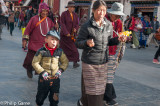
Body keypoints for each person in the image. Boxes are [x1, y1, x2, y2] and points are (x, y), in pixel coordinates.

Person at [75, 1, 127, 106]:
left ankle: (83, 102)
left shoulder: (108, 25)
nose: (101, 13)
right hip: (90, 62)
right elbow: (78, 43)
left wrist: (118, 39)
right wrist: (86, 42)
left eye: (103, 10)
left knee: (96, 90)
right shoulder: (86, 26)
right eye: (99, 10)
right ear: (93, 10)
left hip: (103, 62)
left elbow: (109, 42)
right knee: (95, 93)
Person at [32, 30, 69, 106]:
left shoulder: (60, 51)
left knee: (55, 99)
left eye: (56, 40)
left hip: (55, 80)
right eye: (52, 39)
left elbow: (65, 62)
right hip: (44, 80)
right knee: (40, 98)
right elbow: (35, 62)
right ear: (46, 40)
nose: (54, 42)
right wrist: (42, 72)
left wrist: (60, 70)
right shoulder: (41, 51)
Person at [23, 3, 54, 78]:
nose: (45, 13)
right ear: (40, 11)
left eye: (46, 11)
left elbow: (52, 31)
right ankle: (29, 69)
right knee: (30, 60)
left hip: (44, 45)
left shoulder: (49, 20)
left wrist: (55, 27)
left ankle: (41, 74)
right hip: (34, 43)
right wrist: (25, 40)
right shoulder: (34, 19)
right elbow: (28, 30)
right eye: (43, 11)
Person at [104, 2, 124, 105]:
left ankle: (108, 96)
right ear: (111, 13)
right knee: (107, 75)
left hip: (113, 51)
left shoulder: (119, 22)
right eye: (116, 15)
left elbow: (120, 35)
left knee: (109, 75)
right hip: (102, 50)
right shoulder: (104, 20)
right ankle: (108, 97)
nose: (117, 17)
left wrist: (123, 38)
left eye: (119, 15)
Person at [60, 1, 80, 68]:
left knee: (74, 50)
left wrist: (76, 29)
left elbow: (77, 24)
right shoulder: (64, 14)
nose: (72, 8)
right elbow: (62, 24)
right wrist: (66, 32)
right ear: (68, 7)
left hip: (72, 36)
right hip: (65, 36)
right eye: (71, 7)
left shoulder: (75, 15)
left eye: (73, 7)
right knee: (63, 50)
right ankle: (62, 61)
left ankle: (75, 62)